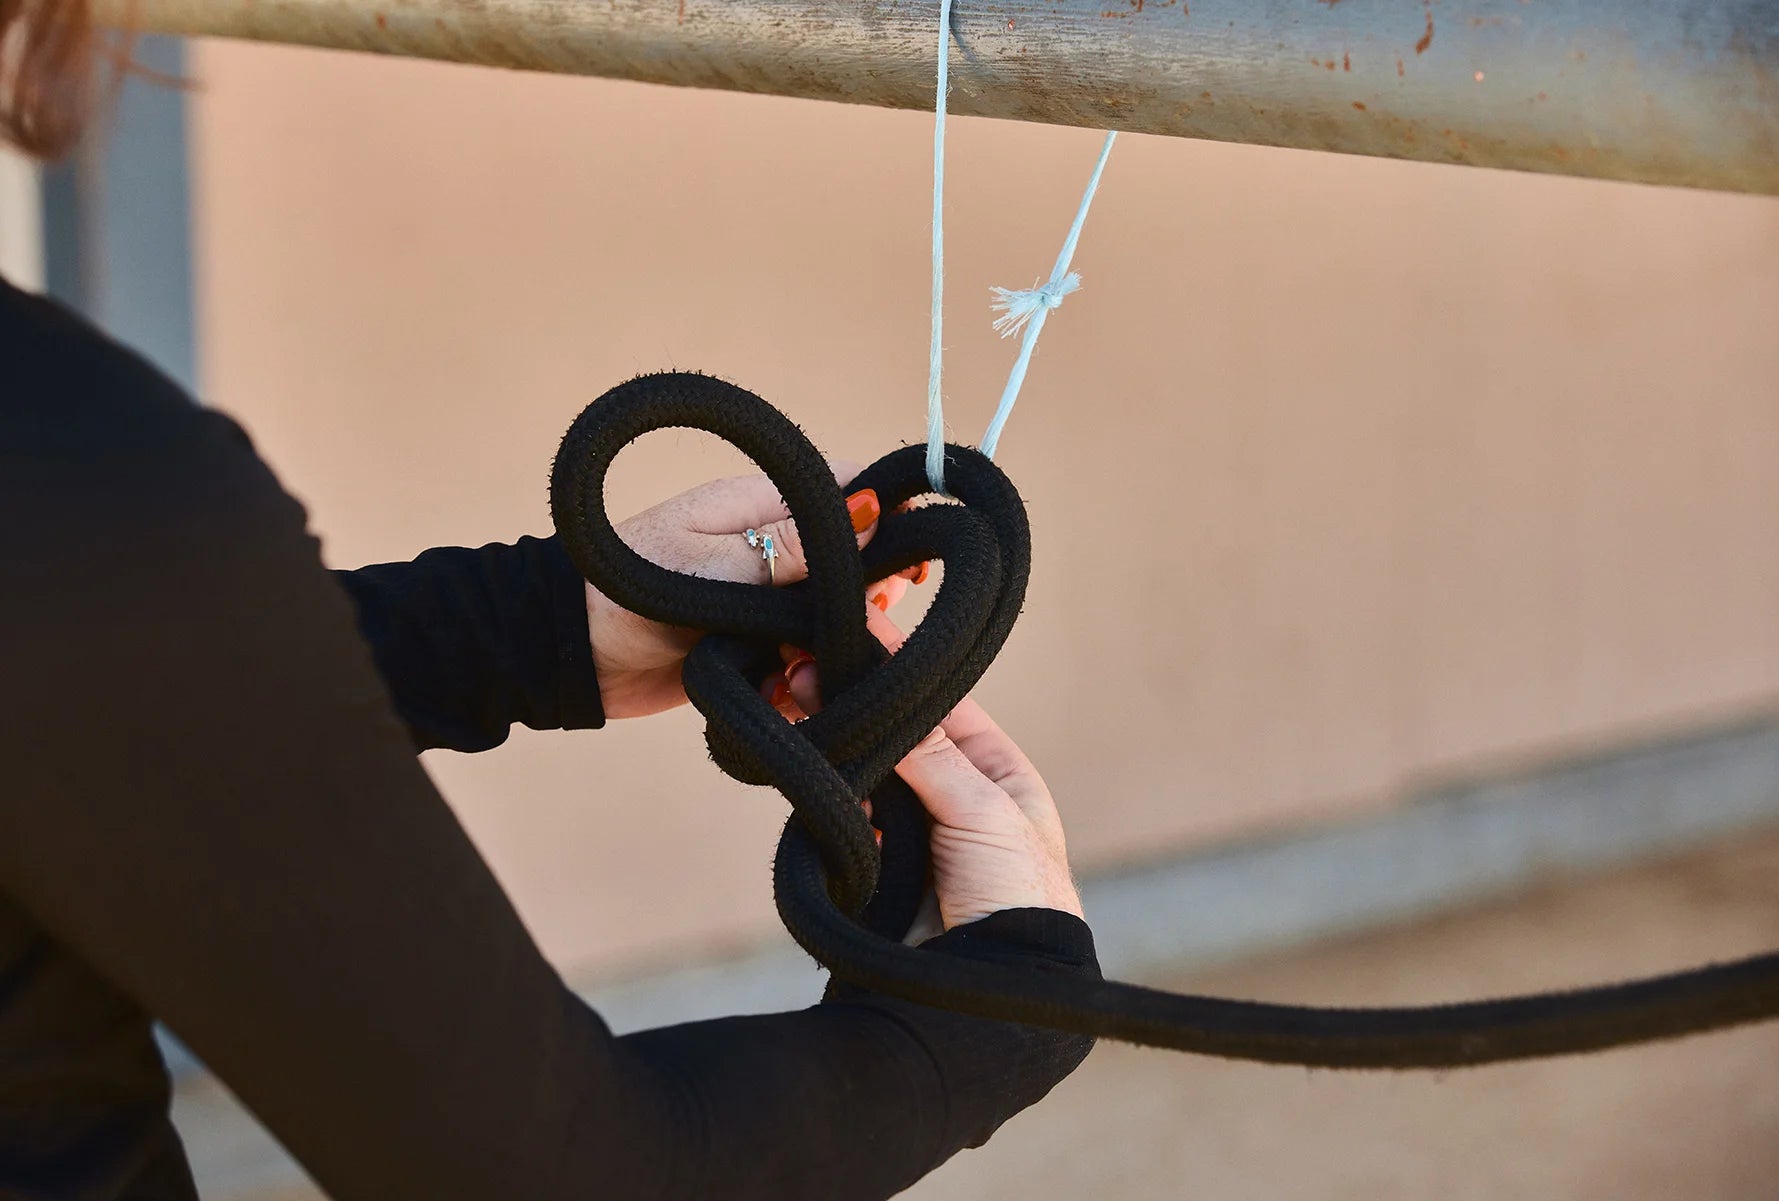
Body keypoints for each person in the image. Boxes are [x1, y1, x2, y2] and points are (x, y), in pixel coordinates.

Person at [0, 6, 1098, 1200]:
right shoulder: (80, 484)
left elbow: (87, 675)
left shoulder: (71, 516)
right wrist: (997, 1006)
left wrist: (527, 627)